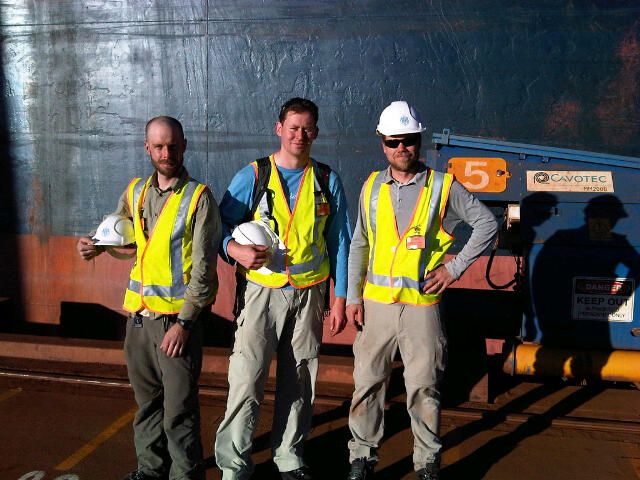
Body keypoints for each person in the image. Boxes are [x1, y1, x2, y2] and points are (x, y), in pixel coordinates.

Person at [345, 101, 498, 480]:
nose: (402, 148)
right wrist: (351, 297)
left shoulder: (443, 187)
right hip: (376, 306)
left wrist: (454, 268)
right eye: (394, 141)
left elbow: (487, 225)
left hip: (421, 307)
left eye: (409, 140)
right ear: (383, 143)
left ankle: (427, 461)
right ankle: (361, 458)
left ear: (419, 141)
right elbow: (360, 243)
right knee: (367, 384)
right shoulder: (371, 186)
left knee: (423, 387)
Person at [76, 116, 221, 480]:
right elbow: (123, 234)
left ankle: (185, 475)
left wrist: (185, 324)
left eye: (172, 145)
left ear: (184, 145)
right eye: (158, 146)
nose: (166, 153)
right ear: (147, 148)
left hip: (176, 324)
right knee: (147, 405)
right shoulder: (136, 192)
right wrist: (95, 245)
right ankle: (150, 470)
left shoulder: (199, 198)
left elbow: (204, 271)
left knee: (179, 411)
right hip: (138, 320)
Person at [214, 97, 352, 480]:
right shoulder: (253, 176)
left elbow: (341, 240)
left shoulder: (327, 180)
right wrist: (233, 249)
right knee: (246, 379)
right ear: (279, 129)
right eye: (293, 128)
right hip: (261, 294)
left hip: (309, 295)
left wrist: (339, 299)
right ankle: (234, 466)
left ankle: (289, 458)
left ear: (316, 133)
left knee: (300, 380)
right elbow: (217, 229)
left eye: (307, 129)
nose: (300, 135)